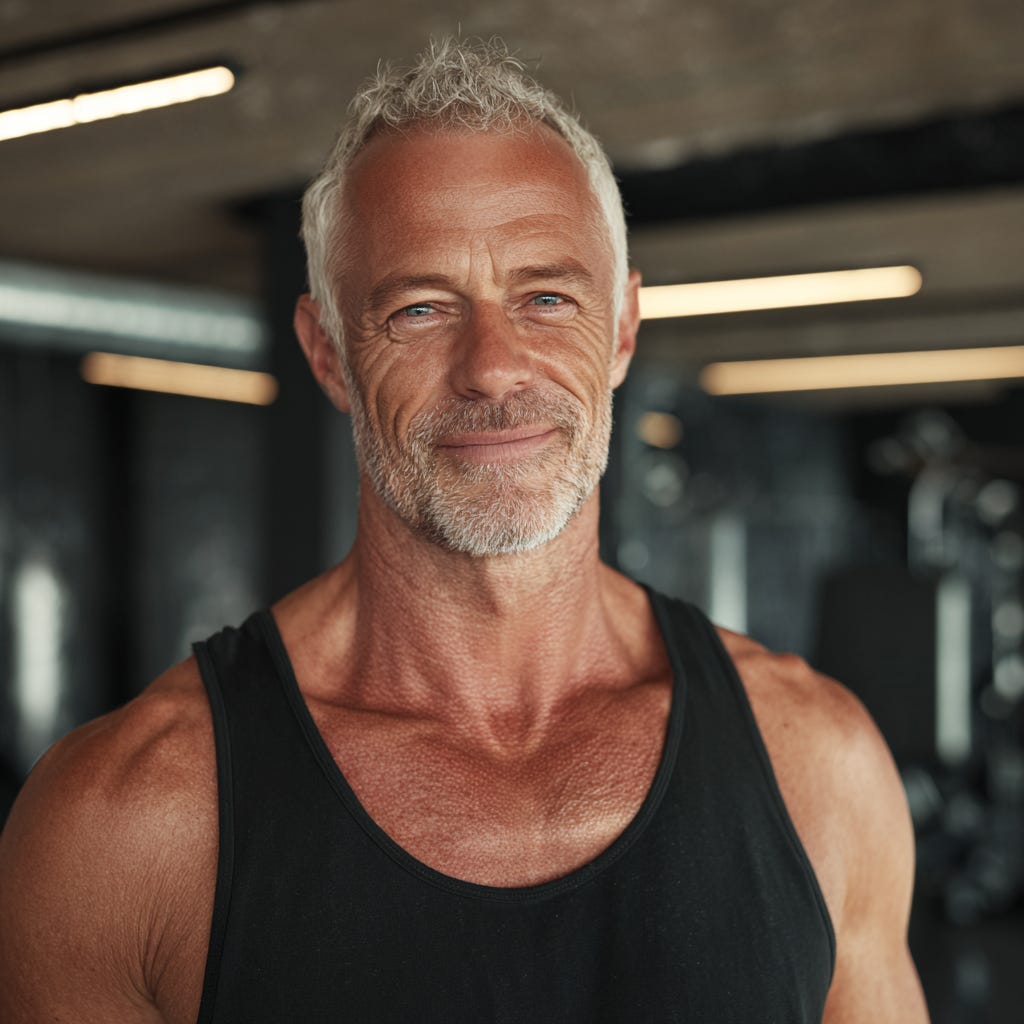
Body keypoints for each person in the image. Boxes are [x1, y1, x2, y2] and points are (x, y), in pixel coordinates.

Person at [0, 38, 928, 1023]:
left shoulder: (816, 764)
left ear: (620, 326)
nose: (492, 366)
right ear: (327, 355)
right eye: (419, 309)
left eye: (545, 298)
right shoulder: (126, 824)